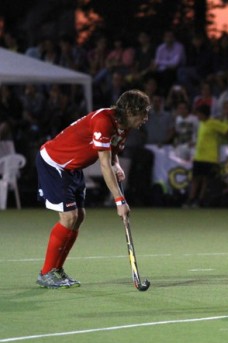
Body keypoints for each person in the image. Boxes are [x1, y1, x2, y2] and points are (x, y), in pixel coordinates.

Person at [35, 89, 151, 288]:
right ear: (131, 111)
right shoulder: (103, 121)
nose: (146, 118)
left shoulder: (125, 126)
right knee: (69, 216)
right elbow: (103, 164)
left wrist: (117, 165)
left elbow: (111, 153)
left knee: (79, 216)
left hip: (73, 168)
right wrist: (119, 200)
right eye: (143, 113)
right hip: (55, 164)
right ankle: (46, 272)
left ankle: (56, 270)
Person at [184, 105, 228, 208]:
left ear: (204, 114)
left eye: (199, 113)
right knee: (195, 179)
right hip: (198, 156)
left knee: (205, 180)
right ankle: (191, 199)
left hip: (209, 157)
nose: (197, 116)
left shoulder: (213, 123)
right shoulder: (201, 124)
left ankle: (200, 201)